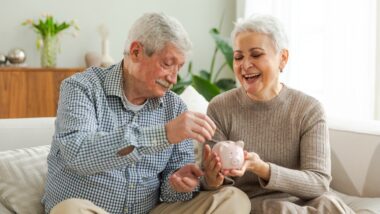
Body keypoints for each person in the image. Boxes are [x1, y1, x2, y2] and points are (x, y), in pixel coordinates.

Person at [43, 12, 250, 214]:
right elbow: (80, 154)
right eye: (168, 64)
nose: (174, 79)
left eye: (179, 68)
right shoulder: (81, 88)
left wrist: (180, 183)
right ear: (136, 52)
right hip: (88, 209)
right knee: (69, 210)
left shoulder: (175, 108)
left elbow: (172, 192)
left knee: (234, 200)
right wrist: (163, 134)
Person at [202, 15, 355, 213]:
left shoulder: (308, 109)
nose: (245, 65)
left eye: (256, 55)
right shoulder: (220, 108)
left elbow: (318, 182)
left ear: (282, 58)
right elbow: (211, 185)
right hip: (250, 204)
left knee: (331, 205)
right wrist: (212, 178)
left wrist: (262, 168)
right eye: (239, 57)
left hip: (303, 200)